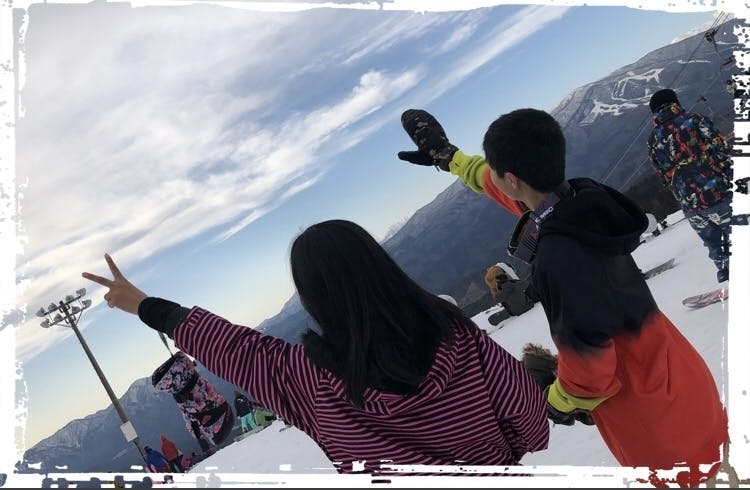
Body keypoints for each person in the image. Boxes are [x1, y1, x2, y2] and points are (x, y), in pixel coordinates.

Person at [397, 108, 727, 485]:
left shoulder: (557, 258)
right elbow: (499, 184)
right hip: (683, 381)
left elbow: (591, 369)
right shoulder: (580, 203)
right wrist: (450, 157)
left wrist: (555, 401)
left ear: (513, 179)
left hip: (654, 424)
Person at [82, 222, 550, 475]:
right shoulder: (462, 340)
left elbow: (231, 346)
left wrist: (144, 305)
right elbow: (531, 426)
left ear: (313, 299)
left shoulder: (308, 381)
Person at [647, 88, 734, 283]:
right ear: (675, 102)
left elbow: (664, 177)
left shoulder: (652, 140)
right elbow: (721, 150)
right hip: (718, 194)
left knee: (714, 245)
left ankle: (726, 271)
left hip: (690, 206)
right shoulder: (695, 120)